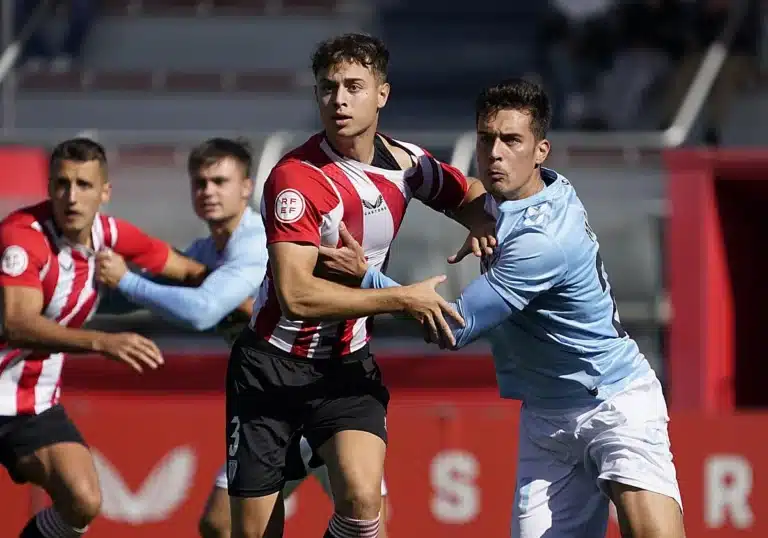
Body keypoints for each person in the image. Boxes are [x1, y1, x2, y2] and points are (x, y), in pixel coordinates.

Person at [333, 79, 686, 538]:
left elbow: (451, 329)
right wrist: (478, 215)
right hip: (545, 419)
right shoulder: (540, 191)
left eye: (511, 140)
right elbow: (470, 191)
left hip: (613, 402)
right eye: (486, 138)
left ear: (541, 150)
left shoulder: (542, 243)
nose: (495, 152)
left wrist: (366, 276)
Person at [226, 33, 494, 538]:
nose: (340, 100)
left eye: (354, 86)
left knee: (363, 503)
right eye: (328, 89)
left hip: (344, 366)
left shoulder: (407, 164)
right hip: (271, 367)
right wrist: (399, 298)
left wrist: (481, 220)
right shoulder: (296, 178)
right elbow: (296, 295)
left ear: (382, 94)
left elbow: (472, 194)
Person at [92, 138, 391, 538]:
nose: (209, 192)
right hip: (271, 400)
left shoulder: (258, 243)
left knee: (366, 523)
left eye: (220, 181)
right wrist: (73, 290)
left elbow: (202, 310)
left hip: (321, 386)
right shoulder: (207, 251)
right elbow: (142, 293)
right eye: (200, 183)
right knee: (220, 525)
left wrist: (126, 280)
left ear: (248, 187)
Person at [0, 138, 208, 538]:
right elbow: (17, 324)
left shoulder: (110, 235)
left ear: (105, 193)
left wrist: (255, 281)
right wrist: (102, 342)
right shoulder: (22, 237)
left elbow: (183, 268)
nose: (71, 197)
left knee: (82, 501)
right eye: (62, 184)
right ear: (49, 188)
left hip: (32, 404)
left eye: (83, 185)